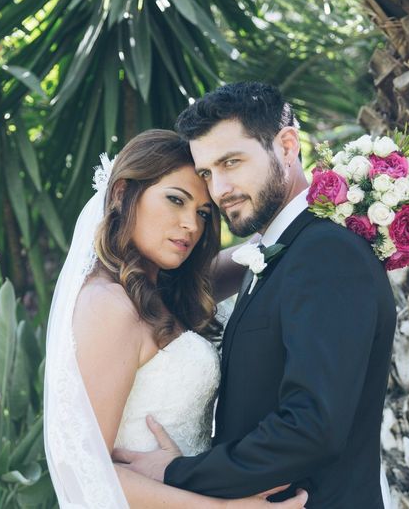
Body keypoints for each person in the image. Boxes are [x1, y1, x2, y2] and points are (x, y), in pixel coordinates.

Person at [114, 83, 397, 508]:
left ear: (286, 145)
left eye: (231, 162)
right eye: (208, 173)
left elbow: (311, 427)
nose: (219, 189)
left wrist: (177, 474)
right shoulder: (275, 252)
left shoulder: (326, 251)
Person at [43, 129, 308, 508]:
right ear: (121, 193)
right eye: (175, 200)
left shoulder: (166, 294)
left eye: (202, 213)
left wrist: (339, 200)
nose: (192, 225)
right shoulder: (108, 305)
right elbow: (84, 469)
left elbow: (263, 247)